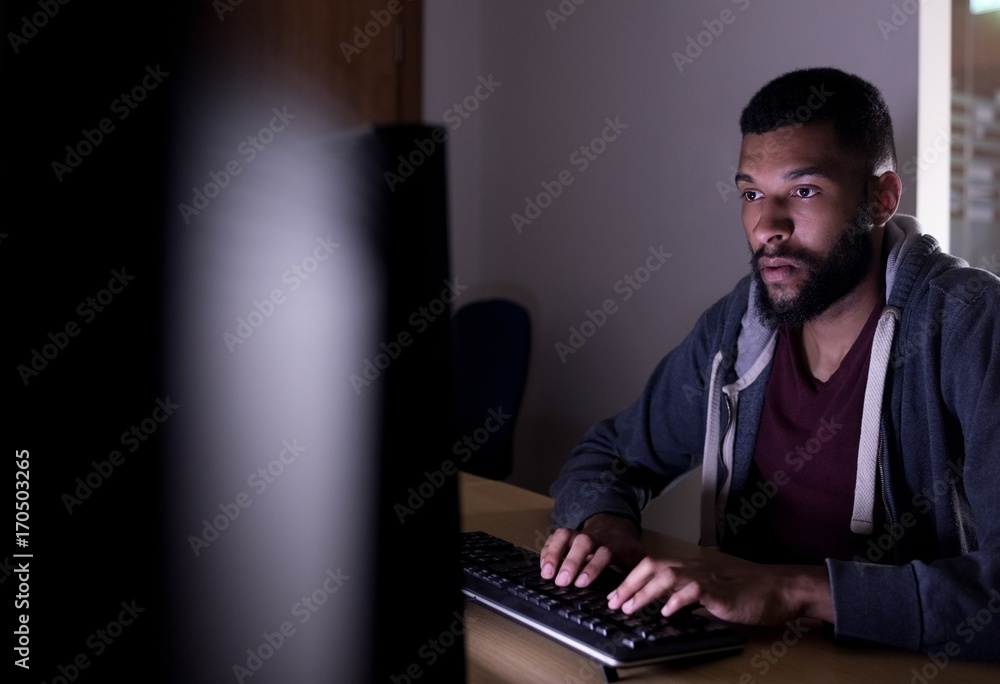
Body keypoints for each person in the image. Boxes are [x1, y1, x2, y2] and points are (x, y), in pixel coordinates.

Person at [540, 67, 1000, 660]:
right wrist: (604, 527)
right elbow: (612, 453)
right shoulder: (741, 321)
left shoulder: (970, 325)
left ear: (881, 198)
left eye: (803, 192)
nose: (767, 227)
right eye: (752, 194)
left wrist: (795, 592)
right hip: (739, 658)